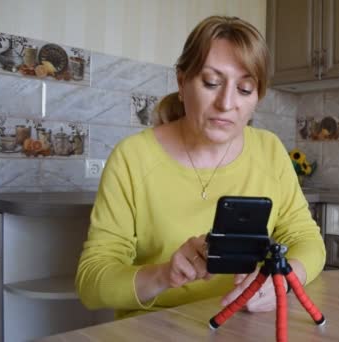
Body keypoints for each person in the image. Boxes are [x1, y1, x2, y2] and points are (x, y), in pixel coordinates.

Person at [75, 15, 326, 319]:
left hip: (244, 326)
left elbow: (307, 241)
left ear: (256, 98)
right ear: (182, 82)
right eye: (211, 83)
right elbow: (91, 282)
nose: (226, 103)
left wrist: (282, 281)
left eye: (245, 89)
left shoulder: (269, 150)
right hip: (153, 330)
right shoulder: (133, 157)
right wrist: (164, 274)